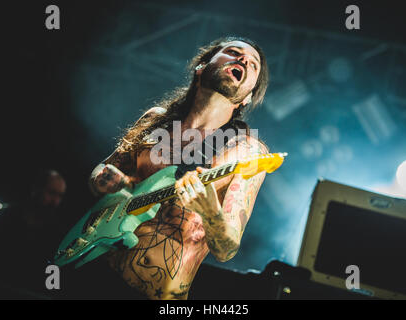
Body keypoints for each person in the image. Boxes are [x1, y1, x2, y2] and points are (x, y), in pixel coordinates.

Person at [85, 36, 270, 300]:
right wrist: (106, 181)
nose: (243, 60)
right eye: (233, 52)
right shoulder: (155, 120)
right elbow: (102, 170)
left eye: (253, 65)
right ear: (201, 67)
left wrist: (212, 214)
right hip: (93, 272)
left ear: (247, 97)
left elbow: (227, 249)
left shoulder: (246, 151)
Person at [0, 170, 66, 298]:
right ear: (36, 189)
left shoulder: (56, 232)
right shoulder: (2, 217)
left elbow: (55, 278)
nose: (55, 201)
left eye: (60, 196)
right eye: (51, 193)